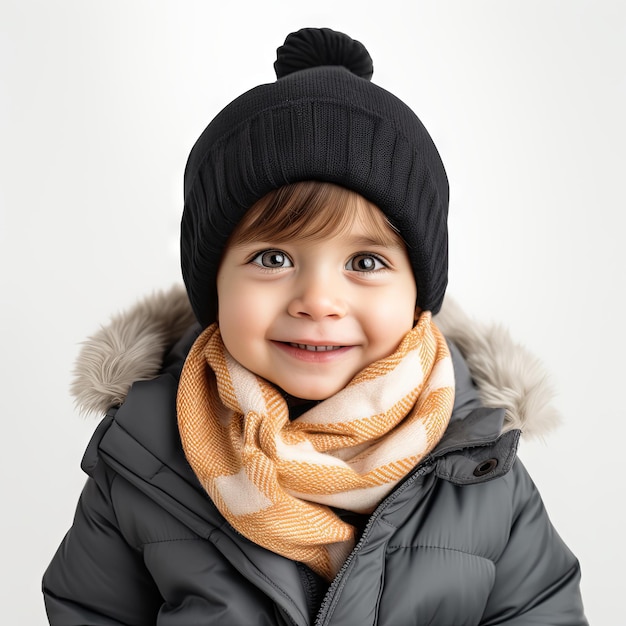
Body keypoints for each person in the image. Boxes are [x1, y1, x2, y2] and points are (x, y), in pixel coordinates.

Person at [42, 27, 588, 625]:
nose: (319, 301)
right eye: (273, 259)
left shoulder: (483, 468)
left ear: (418, 296)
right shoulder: (143, 458)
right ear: (213, 285)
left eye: (365, 262)